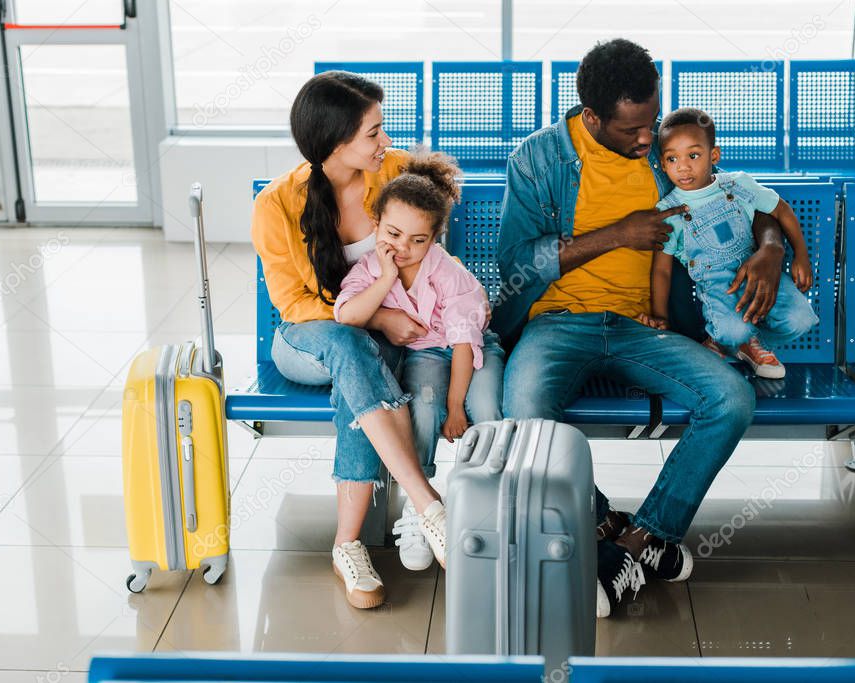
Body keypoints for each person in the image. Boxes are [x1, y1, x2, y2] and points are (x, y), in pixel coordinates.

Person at [492, 39, 788, 618]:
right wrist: (618, 235)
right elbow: (515, 263)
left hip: (645, 326)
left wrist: (773, 247)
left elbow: (739, 203)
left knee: (730, 397)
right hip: (559, 322)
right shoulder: (539, 158)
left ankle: (645, 537)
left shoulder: (665, 148)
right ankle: (601, 519)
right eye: (632, 131)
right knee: (524, 411)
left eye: (651, 122)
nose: (649, 140)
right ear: (593, 117)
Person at [251, 71, 445, 610]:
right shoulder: (277, 205)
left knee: (355, 366)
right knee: (349, 345)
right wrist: (377, 317)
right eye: (373, 133)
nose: (386, 142)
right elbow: (292, 304)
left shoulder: (399, 173)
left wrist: (381, 317)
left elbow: (428, 263)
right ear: (336, 144)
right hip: (303, 340)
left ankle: (348, 544)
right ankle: (427, 501)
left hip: (365, 344)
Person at [334, 150, 505, 571]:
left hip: (474, 348)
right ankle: (421, 505)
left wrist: (456, 407)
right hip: (425, 352)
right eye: (392, 234)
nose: (403, 248)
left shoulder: (448, 273)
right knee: (422, 406)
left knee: (486, 410)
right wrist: (388, 279)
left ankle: (487, 504)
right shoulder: (372, 269)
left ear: (435, 238)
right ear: (376, 224)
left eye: (418, 240)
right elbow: (346, 314)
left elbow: (465, 344)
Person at [642, 107, 818, 379]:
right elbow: (662, 270)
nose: (683, 166)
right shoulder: (670, 211)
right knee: (732, 330)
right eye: (672, 159)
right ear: (663, 165)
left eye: (693, 155)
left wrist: (801, 256)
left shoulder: (739, 184)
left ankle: (745, 341)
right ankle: (730, 339)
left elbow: (781, 210)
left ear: (714, 155)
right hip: (718, 288)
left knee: (801, 320)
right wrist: (659, 317)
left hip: (761, 276)